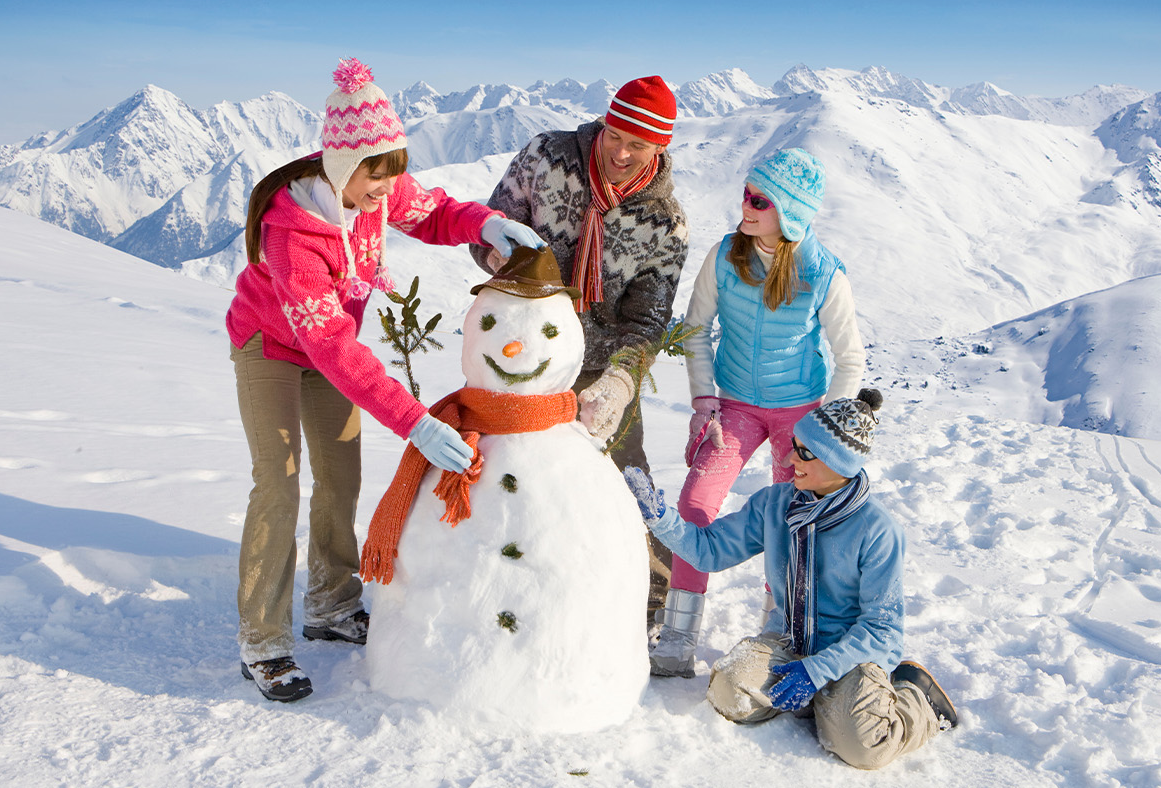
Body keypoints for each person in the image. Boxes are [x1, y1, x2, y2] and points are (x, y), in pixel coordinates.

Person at [225, 58, 544, 702]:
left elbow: (432, 211)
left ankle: (332, 604)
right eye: (377, 176)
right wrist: (417, 424)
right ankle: (263, 641)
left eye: (392, 174)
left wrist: (482, 224)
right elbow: (333, 346)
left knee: (340, 474)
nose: (386, 190)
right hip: (270, 345)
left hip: (322, 347)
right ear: (344, 167)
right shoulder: (292, 232)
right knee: (279, 481)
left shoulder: (376, 187)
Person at [623, 391, 957, 770]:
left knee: (863, 746)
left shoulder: (878, 531)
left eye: (804, 452)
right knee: (728, 691)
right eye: (794, 446)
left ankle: (915, 700)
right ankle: (827, 703)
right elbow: (710, 551)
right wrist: (661, 518)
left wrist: (818, 671)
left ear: (839, 462)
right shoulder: (774, 504)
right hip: (788, 641)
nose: (787, 458)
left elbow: (882, 629)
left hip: (848, 657)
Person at [470, 76, 690, 631]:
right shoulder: (547, 156)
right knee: (507, 473)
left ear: (658, 149)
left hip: (597, 363)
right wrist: (503, 259)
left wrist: (620, 381)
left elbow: (648, 317)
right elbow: (486, 228)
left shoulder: (665, 224)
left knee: (627, 472)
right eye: (616, 135)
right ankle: (497, 582)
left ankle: (651, 594)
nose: (620, 151)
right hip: (522, 357)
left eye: (637, 145)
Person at [650, 148, 866, 677]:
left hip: (800, 415)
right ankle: (679, 632)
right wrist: (704, 401)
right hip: (736, 406)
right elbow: (696, 328)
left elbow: (851, 358)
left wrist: (823, 436)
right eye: (746, 193)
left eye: (759, 200)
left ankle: (778, 628)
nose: (745, 206)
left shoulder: (823, 273)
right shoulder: (726, 255)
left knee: (792, 518)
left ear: (788, 214)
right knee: (696, 502)